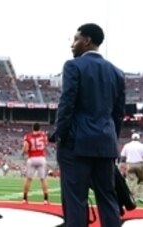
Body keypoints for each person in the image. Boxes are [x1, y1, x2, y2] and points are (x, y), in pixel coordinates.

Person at [51, 23, 125, 227]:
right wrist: (110, 138)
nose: (72, 45)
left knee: (76, 201)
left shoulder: (73, 66)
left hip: (77, 144)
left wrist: (60, 136)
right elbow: (118, 114)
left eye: (75, 39)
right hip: (106, 143)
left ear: (87, 40)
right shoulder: (117, 72)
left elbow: (67, 104)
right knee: (108, 199)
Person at [22, 123, 49, 204]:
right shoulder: (43, 135)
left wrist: (23, 152)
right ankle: (45, 199)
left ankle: (25, 198)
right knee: (43, 179)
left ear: (32, 128)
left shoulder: (28, 136)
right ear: (39, 128)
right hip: (41, 158)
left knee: (28, 179)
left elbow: (25, 149)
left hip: (32, 158)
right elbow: (45, 144)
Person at [120, 133, 143, 200]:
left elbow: (122, 156)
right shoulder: (142, 145)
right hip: (140, 164)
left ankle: (132, 196)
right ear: (138, 138)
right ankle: (139, 195)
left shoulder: (127, 145)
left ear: (132, 138)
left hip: (129, 164)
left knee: (132, 181)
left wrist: (122, 164)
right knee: (142, 181)